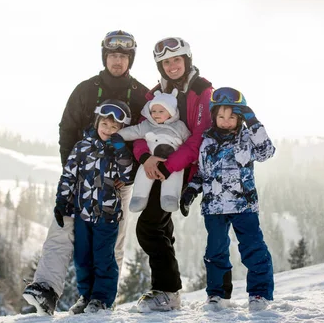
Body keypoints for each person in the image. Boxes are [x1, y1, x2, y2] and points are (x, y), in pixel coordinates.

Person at [23, 30, 149, 315]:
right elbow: (67, 127)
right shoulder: (86, 90)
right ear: (105, 57)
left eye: (123, 56)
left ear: (130, 59)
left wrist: (134, 172)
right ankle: (46, 289)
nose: (117, 61)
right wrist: (73, 166)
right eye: (113, 56)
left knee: (112, 241)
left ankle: (102, 298)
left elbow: (148, 135)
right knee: (62, 228)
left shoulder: (141, 94)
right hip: (83, 174)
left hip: (119, 178)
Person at [132, 37, 218, 312]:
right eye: (165, 62)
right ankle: (168, 293)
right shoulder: (156, 93)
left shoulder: (202, 91)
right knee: (161, 227)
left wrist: (169, 166)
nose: (171, 66)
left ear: (187, 61)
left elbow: (200, 138)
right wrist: (145, 157)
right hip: (156, 169)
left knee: (149, 227)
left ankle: (167, 291)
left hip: (182, 171)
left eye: (176, 60)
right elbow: (141, 130)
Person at [180, 87, 276, 312]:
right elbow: (202, 173)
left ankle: (259, 294)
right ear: (214, 116)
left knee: (253, 248)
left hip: (244, 206)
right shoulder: (207, 142)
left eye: (232, 116)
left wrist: (253, 121)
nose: (225, 121)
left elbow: (267, 151)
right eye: (221, 116)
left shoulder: (247, 139)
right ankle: (217, 296)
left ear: (240, 118)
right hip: (214, 207)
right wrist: (190, 191)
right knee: (215, 252)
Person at [58, 100, 134, 313]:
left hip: (107, 216)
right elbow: (69, 175)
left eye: (114, 127)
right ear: (97, 122)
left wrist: (120, 149)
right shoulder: (82, 147)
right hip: (83, 214)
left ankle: (101, 299)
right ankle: (85, 296)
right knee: (82, 258)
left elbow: (128, 176)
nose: (108, 130)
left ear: (121, 129)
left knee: (103, 259)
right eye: (105, 125)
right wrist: (61, 201)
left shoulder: (120, 151)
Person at [117, 88, 190, 212]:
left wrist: (194, 160)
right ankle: (138, 198)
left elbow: (188, 142)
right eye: (153, 111)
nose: (156, 114)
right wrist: (117, 134)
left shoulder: (180, 126)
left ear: (171, 112)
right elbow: (134, 131)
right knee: (144, 174)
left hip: (172, 161)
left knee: (175, 176)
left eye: (161, 111)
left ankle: (170, 198)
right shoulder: (147, 125)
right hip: (151, 160)